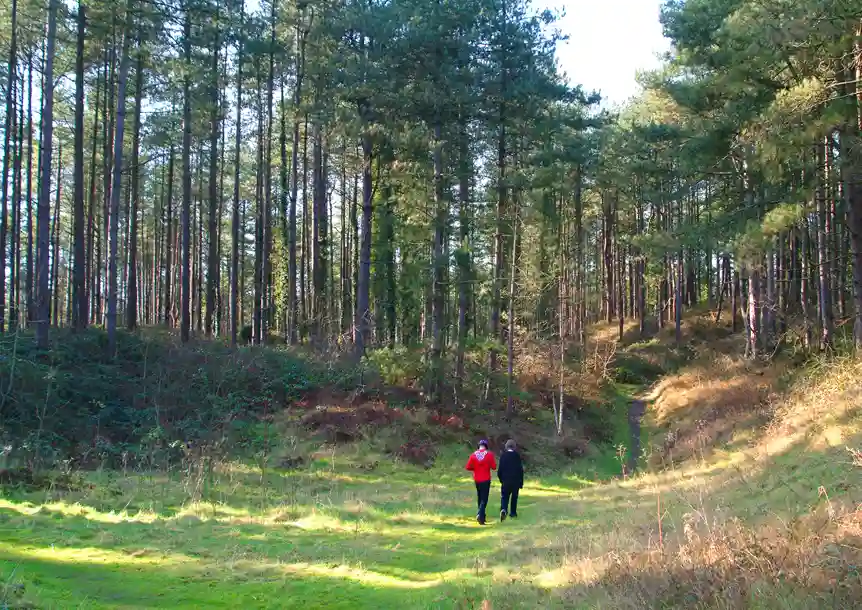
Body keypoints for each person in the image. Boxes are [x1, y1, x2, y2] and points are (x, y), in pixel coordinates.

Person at [465, 439, 497, 525]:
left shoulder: (473, 455)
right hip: (486, 479)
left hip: (477, 479)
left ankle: (482, 518)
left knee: (479, 497)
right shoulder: (489, 454)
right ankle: (480, 514)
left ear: (478, 446)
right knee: (484, 498)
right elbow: (494, 467)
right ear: (486, 447)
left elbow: (468, 467)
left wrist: (475, 468)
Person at [497, 439, 524, 521]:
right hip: (515, 481)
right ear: (514, 447)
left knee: (504, 497)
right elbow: (520, 470)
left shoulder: (503, 456)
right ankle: (513, 513)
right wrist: (521, 482)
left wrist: (501, 479)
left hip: (506, 480)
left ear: (506, 446)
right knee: (514, 498)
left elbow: (500, 470)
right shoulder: (517, 456)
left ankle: (504, 509)